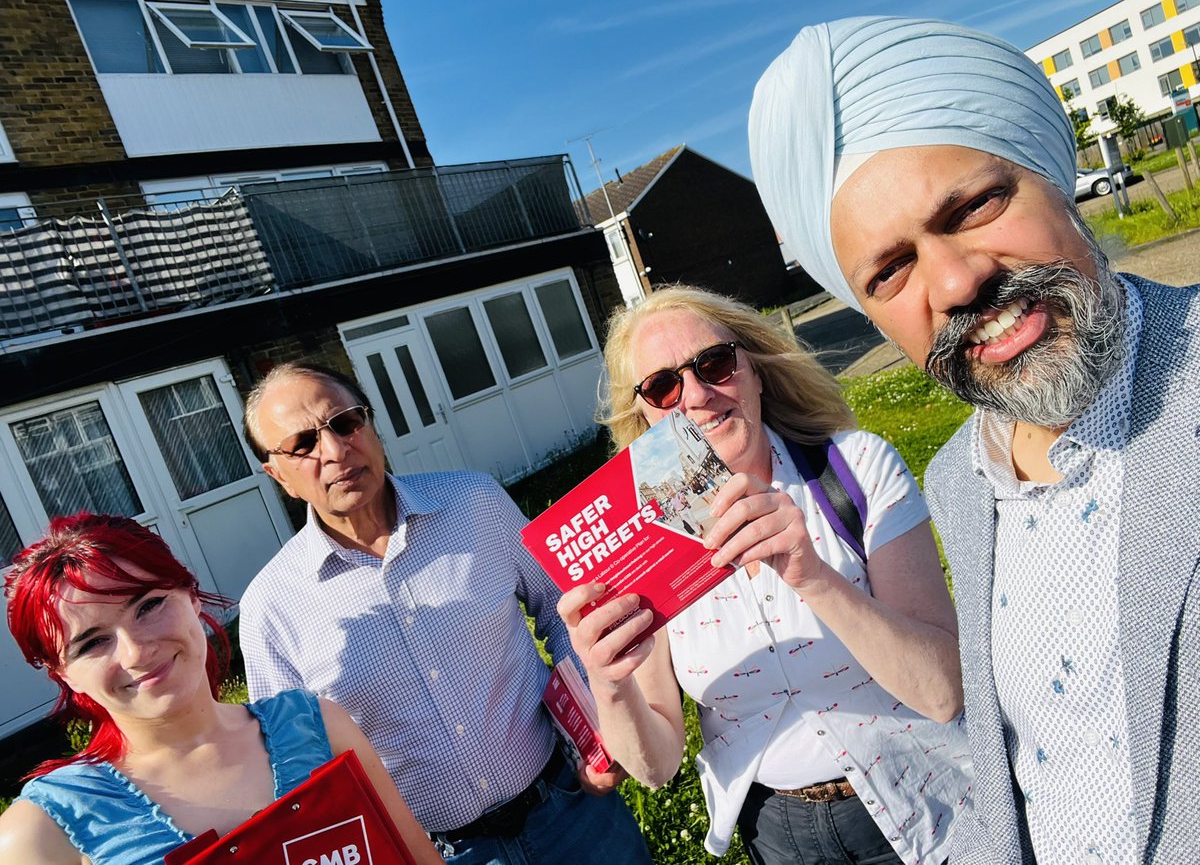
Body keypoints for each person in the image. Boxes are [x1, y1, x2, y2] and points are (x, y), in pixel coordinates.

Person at [748, 16, 1200, 865]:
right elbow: (1019, 772)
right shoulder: (961, 478)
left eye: (976, 206)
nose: (957, 283)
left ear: (1054, 176)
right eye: (891, 271)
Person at [558, 285, 974, 865]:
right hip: (776, 833)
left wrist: (812, 577)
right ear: (646, 415)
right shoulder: (640, 546)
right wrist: (608, 683)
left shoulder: (855, 468)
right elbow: (656, 765)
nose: (698, 396)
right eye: (663, 386)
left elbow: (943, 691)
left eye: (715, 364)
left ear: (753, 369)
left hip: (925, 805)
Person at [237, 362, 651, 865]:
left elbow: (567, 612)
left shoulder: (475, 503)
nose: (335, 450)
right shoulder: (270, 608)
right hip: (441, 854)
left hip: (573, 814)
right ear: (277, 474)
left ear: (370, 423)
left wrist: (595, 731)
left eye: (345, 422)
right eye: (303, 443)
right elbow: (294, 771)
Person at [0, 512, 441, 865]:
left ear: (191, 596)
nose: (136, 652)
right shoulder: (43, 832)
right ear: (63, 673)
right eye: (93, 642)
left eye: (149, 606)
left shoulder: (320, 727)